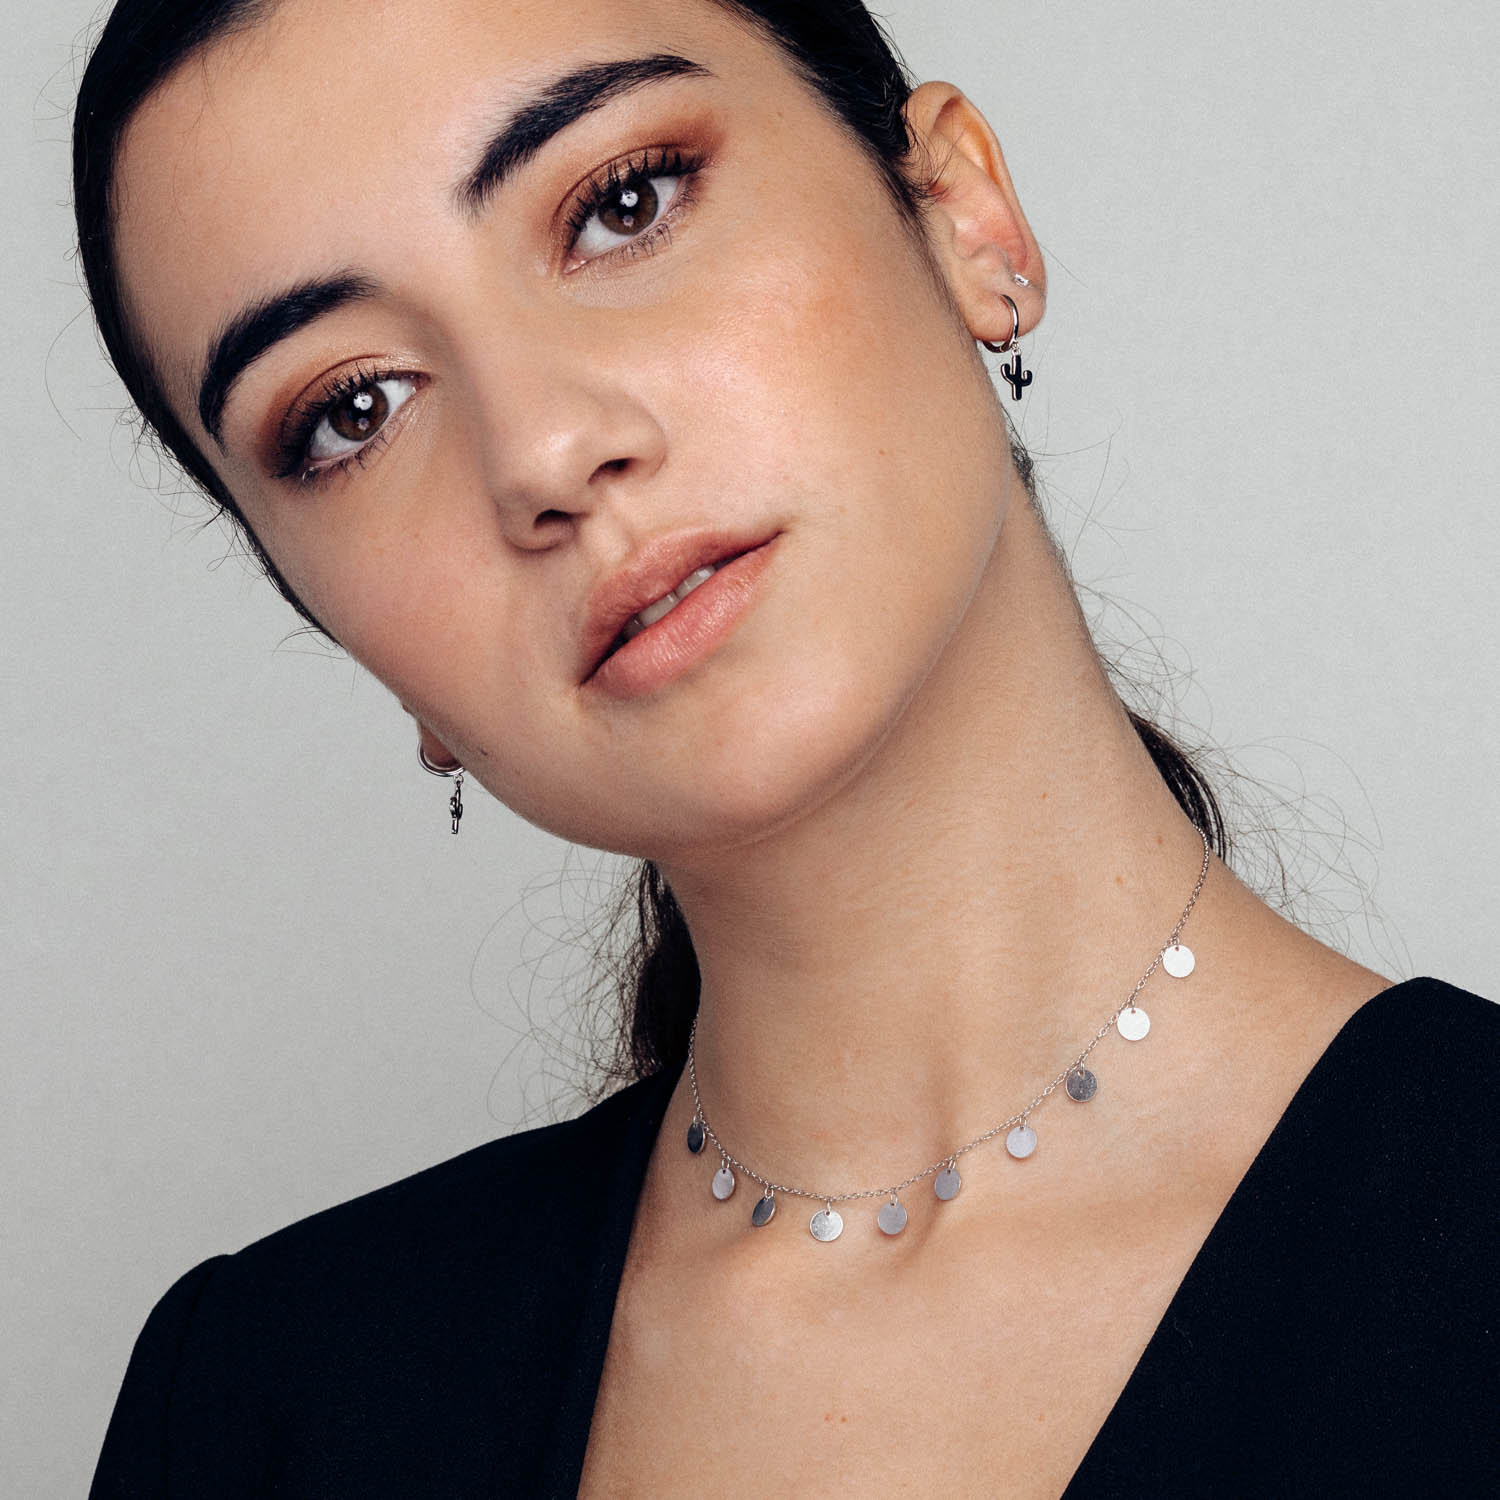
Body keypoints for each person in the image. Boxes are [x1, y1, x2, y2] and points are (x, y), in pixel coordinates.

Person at [76, 0, 1495, 1494]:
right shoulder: (255, 1407)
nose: (543, 450)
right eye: (351, 411)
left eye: (623, 205)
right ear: (340, 629)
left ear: (964, 214)